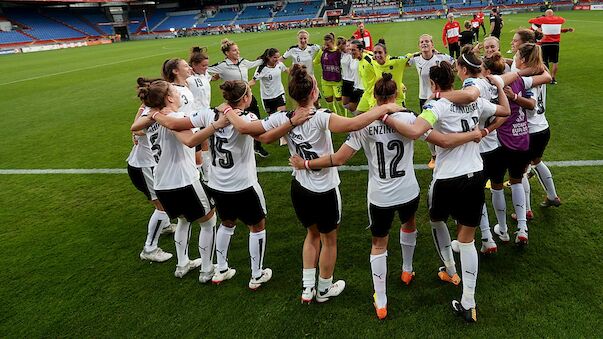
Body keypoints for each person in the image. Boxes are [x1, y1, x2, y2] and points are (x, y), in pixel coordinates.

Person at [289, 73, 481, 320]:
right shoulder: (411, 118)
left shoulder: (363, 123)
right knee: (409, 225)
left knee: (379, 244)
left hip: (380, 195)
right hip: (408, 189)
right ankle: (407, 270)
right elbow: (440, 140)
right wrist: (473, 134)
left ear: (374, 96)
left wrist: (305, 163)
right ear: (396, 95)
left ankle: (381, 300)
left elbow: (339, 159)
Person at [223, 64, 405, 304]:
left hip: (300, 188)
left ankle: (307, 288)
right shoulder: (321, 117)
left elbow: (251, 131)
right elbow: (353, 124)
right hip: (325, 190)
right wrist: (387, 107)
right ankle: (324, 288)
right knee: (329, 240)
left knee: (311, 236)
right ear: (313, 93)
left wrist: (227, 109)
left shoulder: (283, 117)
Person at [380, 60, 510, 323]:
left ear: (433, 83)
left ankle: (450, 269)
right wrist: (484, 128)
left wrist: (386, 117)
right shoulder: (476, 102)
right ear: (454, 78)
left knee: (437, 220)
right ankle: (468, 301)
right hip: (475, 175)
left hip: (448, 179)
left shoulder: (435, 105)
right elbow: (505, 111)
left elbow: (416, 131)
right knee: (467, 239)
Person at [131, 79, 228, 280]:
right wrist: (215, 126)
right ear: (168, 98)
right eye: (175, 91)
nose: (179, 93)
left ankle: (182, 264)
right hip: (184, 180)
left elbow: (136, 126)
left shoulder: (151, 118)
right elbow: (191, 140)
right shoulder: (175, 117)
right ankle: (207, 270)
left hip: (162, 184)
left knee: (183, 220)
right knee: (208, 222)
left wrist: (154, 114)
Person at [128, 100, 175, 263]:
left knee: (161, 203)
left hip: (147, 164)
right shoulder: (151, 113)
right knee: (162, 205)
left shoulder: (150, 110)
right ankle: (149, 249)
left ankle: (166, 225)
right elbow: (137, 128)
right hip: (144, 166)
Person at [208, 38, 270, 158]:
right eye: (234, 50)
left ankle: (257, 146)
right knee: (235, 125)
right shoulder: (222, 66)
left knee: (255, 120)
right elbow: (206, 69)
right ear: (227, 53)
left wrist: (264, 57)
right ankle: (235, 147)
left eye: (237, 50)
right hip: (234, 100)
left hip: (248, 97)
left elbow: (254, 63)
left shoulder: (243, 62)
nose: (238, 52)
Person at [407, 34, 455, 169]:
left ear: (432, 44)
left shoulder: (441, 57)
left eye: (427, 41)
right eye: (422, 42)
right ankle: (433, 155)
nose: (424, 43)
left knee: (444, 125)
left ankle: (448, 150)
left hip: (441, 97)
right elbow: (401, 64)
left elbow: (455, 64)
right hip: (425, 98)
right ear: (419, 45)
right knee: (428, 128)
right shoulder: (415, 59)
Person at [528, 9, 574, 84]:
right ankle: (553, 78)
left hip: (545, 44)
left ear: (545, 15)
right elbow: (560, 28)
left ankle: (547, 77)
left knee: (544, 61)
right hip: (556, 44)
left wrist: (539, 20)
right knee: (555, 62)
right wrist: (567, 29)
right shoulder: (559, 19)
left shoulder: (542, 21)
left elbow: (530, 21)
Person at [371, 39, 410, 107]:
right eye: (375, 52)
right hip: (380, 100)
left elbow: (410, 56)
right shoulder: (373, 61)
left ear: (386, 54)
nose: (377, 55)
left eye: (380, 52)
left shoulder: (396, 62)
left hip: (397, 100)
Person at [250, 48, 288, 116]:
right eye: (274, 57)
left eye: (278, 57)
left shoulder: (279, 64)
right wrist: (244, 87)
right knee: (273, 119)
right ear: (268, 57)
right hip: (267, 97)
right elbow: (253, 81)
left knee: (282, 116)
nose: (277, 59)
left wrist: (299, 71)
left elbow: (288, 71)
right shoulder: (262, 68)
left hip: (279, 94)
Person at [313, 33, 345, 115]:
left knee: (340, 103)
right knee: (330, 104)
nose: (326, 44)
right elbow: (315, 62)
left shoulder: (338, 51)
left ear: (333, 41)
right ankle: (334, 119)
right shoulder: (322, 51)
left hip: (337, 81)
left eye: (328, 41)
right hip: (326, 81)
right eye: (325, 42)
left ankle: (344, 120)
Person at [346, 40, 367, 112]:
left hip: (364, 89)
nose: (351, 52)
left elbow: (380, 69)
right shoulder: (353, 58)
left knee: (360, 112)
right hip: (356, 87)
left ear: (361, 50)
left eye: (353, 50)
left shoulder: (368, 59)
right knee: (352, 108)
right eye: (350, 50)